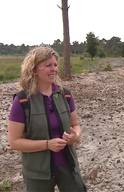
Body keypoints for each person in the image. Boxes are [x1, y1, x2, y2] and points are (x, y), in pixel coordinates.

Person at [8, 46, 87, 192]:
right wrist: (47, 144)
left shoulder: (66, 95)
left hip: (68, 166)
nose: (54, 69)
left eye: (55, 65)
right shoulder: (22, 101)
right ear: (34, 69)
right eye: (48, 65)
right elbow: (14, 142)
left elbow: (76, 125)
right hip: (37, 173)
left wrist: (74, 135)